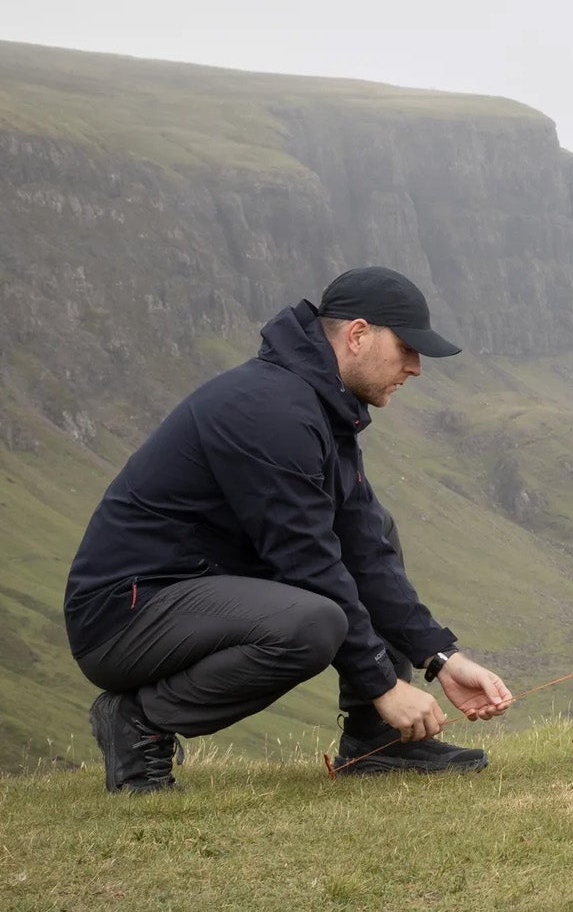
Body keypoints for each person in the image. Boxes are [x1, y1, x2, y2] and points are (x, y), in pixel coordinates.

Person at [65, 266, 514, 793]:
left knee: (377, 531)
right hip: (125, 616)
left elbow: (364, 551)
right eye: (407, 348)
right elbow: (306, 562)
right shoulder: (269, 410)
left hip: (195, 595)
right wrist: (384, 686)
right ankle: (138, 722)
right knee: (313, 623)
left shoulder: (320, 406)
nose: (415, 367)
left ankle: (377, 743)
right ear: (358, 335)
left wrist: (441, 659)